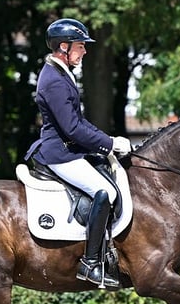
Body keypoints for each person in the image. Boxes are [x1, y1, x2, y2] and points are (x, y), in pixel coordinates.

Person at [25, 18, 132, 289]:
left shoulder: (61, 73)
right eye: (81, 46)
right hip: (59, 153)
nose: (84, 51)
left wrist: (107, 141)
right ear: (64, 46)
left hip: (69, 149)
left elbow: (79, 123)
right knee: (105, 192)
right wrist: (109, 144)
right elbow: (72, 128)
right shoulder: (54, 81)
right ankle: (91, 263)